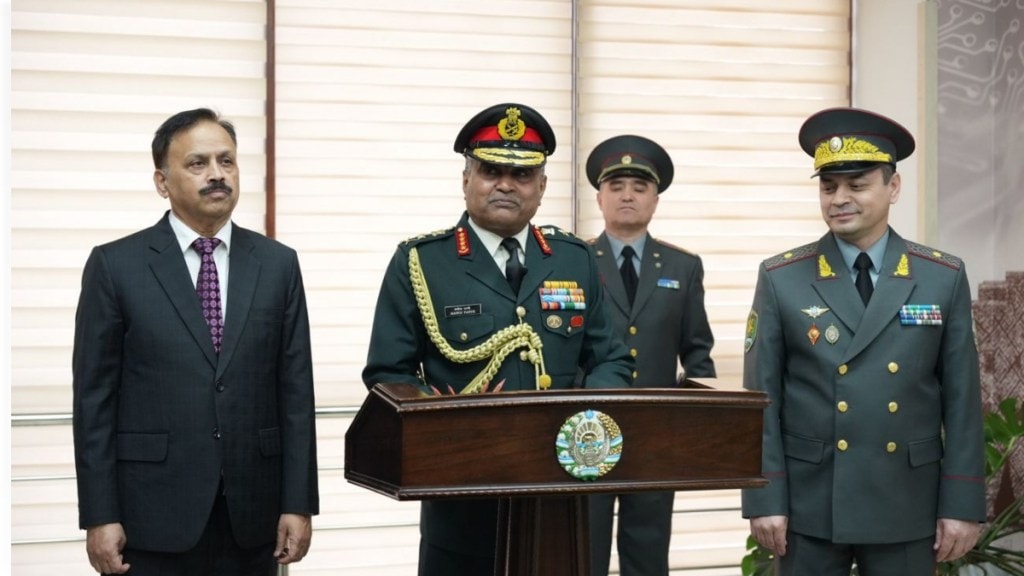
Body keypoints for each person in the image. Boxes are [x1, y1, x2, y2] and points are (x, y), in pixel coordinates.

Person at [362, 102, 635, 575]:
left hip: (561, 499)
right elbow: (389, 373)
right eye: (491, 170)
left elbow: (611, 358)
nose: (506, 184)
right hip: (462, 499)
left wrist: (584, 425)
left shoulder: (573, 259)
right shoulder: (422, 262)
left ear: (542, 187)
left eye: (522, 174)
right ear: (466, 178)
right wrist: (444, 421)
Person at [72, 108, 319, 576]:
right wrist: (100, 515)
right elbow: (94, 402)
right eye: (198, 163)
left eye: (226, 161)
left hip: (253, 515)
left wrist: (298, 502)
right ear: (163, 182)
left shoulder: (278, 265)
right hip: (151, 516)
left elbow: (295, 393)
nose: (216, 175)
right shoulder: (115, 266)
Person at [741, 107, 985, 575]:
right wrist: (765, 495)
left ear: (892, 188)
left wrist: (961, 501)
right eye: (828, 186)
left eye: (857, 185)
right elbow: (762, 401)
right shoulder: (782, 277)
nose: (839, 198)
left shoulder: (940, 276)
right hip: (810, 504)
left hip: (906, 501)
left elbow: (962, 402)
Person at [584, 135, 717, 576]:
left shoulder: (682, 267)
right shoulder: (574, 260)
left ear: (655, 199)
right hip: (586, 432)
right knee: (583, 547)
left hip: (656, 434)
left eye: (639, 188)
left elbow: (698, 352)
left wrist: (694, 429)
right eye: (617, 185)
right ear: (600, 196)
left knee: (648, 549)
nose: (627, 195)